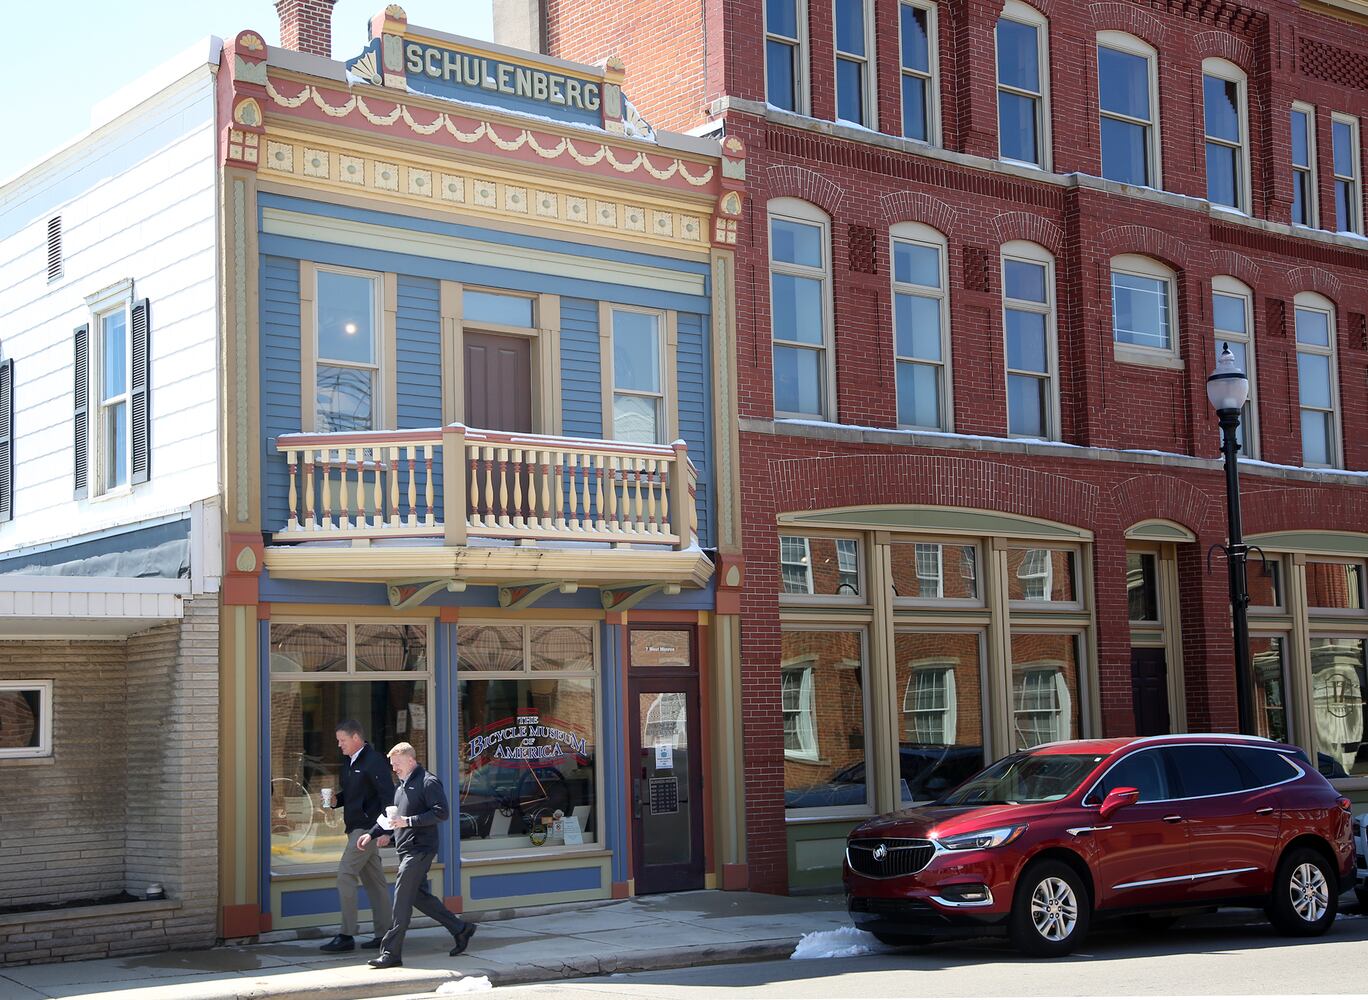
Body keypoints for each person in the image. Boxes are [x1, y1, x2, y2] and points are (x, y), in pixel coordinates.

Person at [359, 742, 476, 969]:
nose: (394, 768)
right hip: (405, 849)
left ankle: (391, 953)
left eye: (397, 764)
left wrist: (408, 822)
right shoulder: (402, 786)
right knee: (419, 897)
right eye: (392, 765)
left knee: (402, 897)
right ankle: (461, 929)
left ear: (411, 760)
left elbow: (441, 813)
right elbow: (391, 816)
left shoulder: (427, 782)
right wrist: (372, 834)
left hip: (420, 849)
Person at [320, 720, 395, 953]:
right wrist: (336, 801)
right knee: (375, 883)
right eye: (338, 741)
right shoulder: (350, 762)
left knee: (345, 874)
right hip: (355, 828)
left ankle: (346, 934)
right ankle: (386, 934)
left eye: (342, 740)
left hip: (368, 830)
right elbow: (354, 794)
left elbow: (388, 797)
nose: (339, 745)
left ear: (356, 738)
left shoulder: (374, 762)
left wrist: (387, 831)